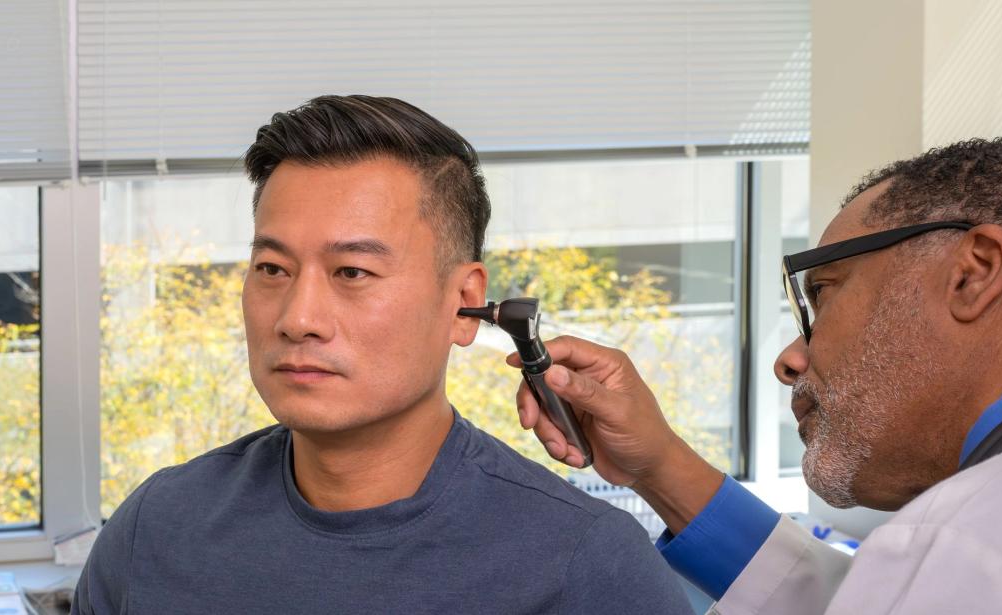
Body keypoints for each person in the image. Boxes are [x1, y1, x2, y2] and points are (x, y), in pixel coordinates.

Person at [72, 95, 693, 614]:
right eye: (271, 267)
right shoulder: (155, 526)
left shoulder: (584, 564)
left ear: (464, 302)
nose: (298, 319)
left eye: (353, 271)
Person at [513, 138, 1002, 614]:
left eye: (824, 293)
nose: (789, 360)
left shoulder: (985, 539)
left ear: (971, 274)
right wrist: (659, 464)